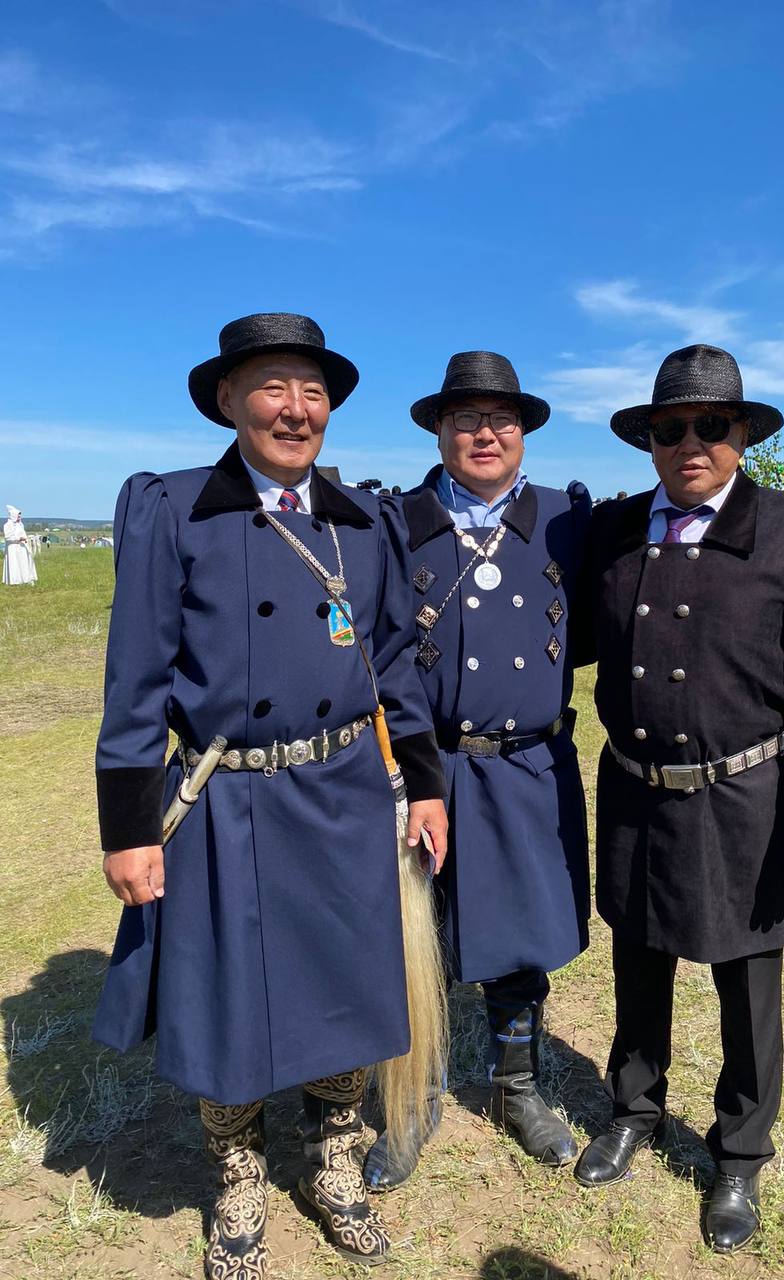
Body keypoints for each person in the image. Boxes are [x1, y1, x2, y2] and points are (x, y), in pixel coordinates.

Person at [93, 313, 448, 1277]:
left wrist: (423, 786)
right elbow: (135, 682)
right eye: (273, 387)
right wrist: (129, 829)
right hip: (226, 799)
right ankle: (238, 1176)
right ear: (228, 400)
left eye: (313, 392)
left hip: (342, 792)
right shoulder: (172, 510)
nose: (296, 410)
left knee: (346, 988)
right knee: (229, 1003)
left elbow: (392, 667)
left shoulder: (362, 521)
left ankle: (332, 1161)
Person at [573, 345, 784, 1253]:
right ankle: (635, 1108)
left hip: (748, 799)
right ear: (648, 441)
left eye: (710, 425)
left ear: (741, 434)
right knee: (638, 959)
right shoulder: (617, 529)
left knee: (748, 984)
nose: (689, 443)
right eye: (670, 429)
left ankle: (739, 1152)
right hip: (635, 791)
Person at [362, 351, 592, 1190]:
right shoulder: (396, 522)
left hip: (529, 767)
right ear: (438, 430)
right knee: (410, 939)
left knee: (521, 938)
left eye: (502, 419)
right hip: (428, 767)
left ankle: (516, 1088)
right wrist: (411, 772)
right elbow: (378, 650)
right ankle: (412, 1099)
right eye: (466, 419)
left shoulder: (566, 520)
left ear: (524, 431)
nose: (485, 433)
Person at [3, 505, 38, 585]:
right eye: (18, 516)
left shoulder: (20, 525)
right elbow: (8, 537)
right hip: (12, 548)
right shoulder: (7, 525)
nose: (19, 517)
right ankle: (15, 580)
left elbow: (23, 534)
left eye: (19, 516)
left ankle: (25, 579)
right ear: (14, 516)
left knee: (23, 563)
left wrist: (27, 539)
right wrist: (18, 538)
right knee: (14, 564)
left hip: (22, 547)